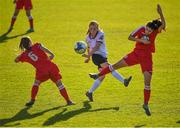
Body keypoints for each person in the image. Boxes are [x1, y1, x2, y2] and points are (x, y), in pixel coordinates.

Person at [89, 4, 166, 116]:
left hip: (147, 59)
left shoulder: (155, 32)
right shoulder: (141, 29)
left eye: (150, 30)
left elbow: (163, 24)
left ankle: (145, 104)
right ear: (145, 27)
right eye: (147, 29)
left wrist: (160, 13)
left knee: (147, 83)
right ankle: (98, 74)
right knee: (115, 65)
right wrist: (141, 40)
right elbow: (130, 37)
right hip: (135, 55)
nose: (148, 31)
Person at [15, 36, 74, 106]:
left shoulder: (24, 55)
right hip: (51, 67)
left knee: (36, 83)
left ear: (23, 46)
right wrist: (51, 54)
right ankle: (68, 101)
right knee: (59, 84)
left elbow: (16, 60)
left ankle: (32, 99)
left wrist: (20, 55)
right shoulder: (37, 45)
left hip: (41, 71)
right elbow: (44, 48)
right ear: (30, 42)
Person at [82, 20, 132, 102]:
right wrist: (88, 57)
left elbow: (97, 46)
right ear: (89, 29)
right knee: (110, 68)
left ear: (98, 28)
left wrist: (88, 56)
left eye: (95, 28)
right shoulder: (87, 38)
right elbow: (90, 48)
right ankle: (124, 80)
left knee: (102, 76)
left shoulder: (101, 34)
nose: (93, 30)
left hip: (102, 57)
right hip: (96, 57)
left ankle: (89, 92)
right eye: (91, 29)